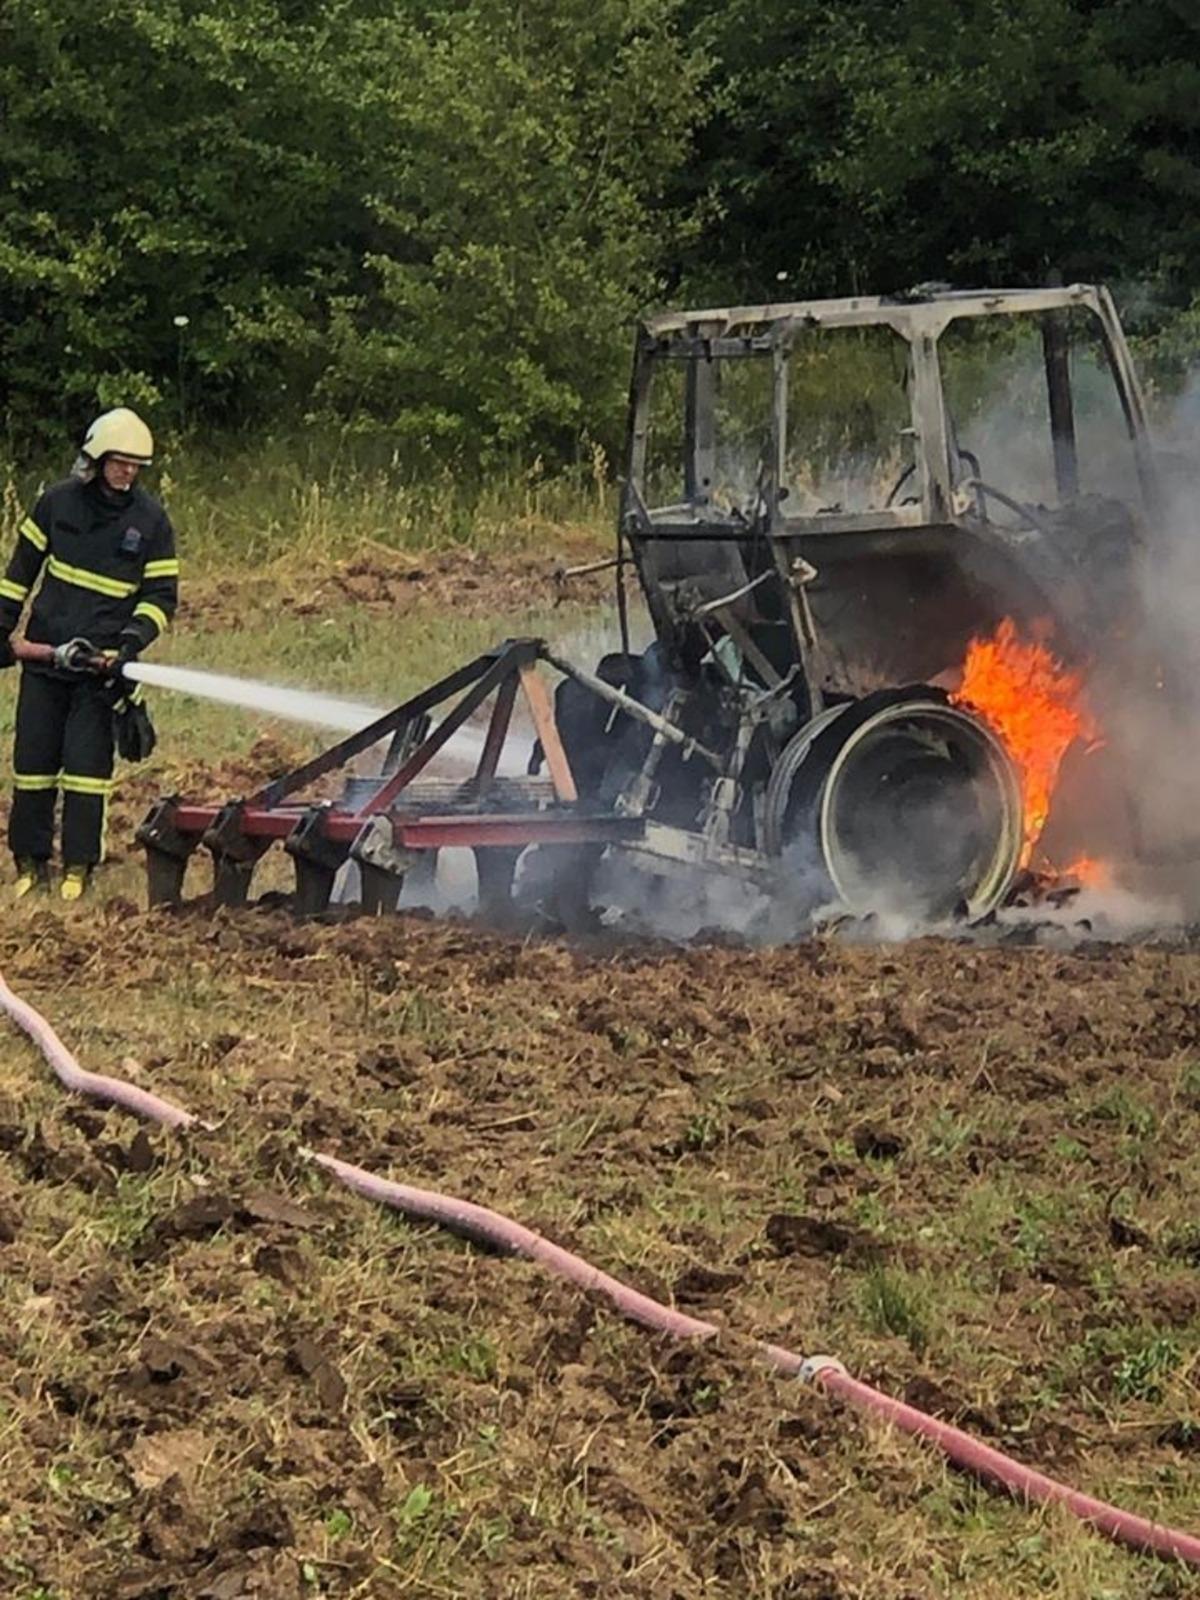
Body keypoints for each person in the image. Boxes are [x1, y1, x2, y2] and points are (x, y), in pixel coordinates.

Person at [0, 408, 179, 900]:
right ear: (96, 459)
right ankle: (30, 863)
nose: (127, 472)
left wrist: (129, 644)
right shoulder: (56, 503)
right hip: (44, 659)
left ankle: (79, 868)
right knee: (32, 765)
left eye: (136, 466)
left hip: (100, 670)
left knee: (86, 772)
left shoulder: (151, 522)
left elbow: (161, 596)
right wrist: (1, 626)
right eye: (119, 462)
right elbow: (20, 571)